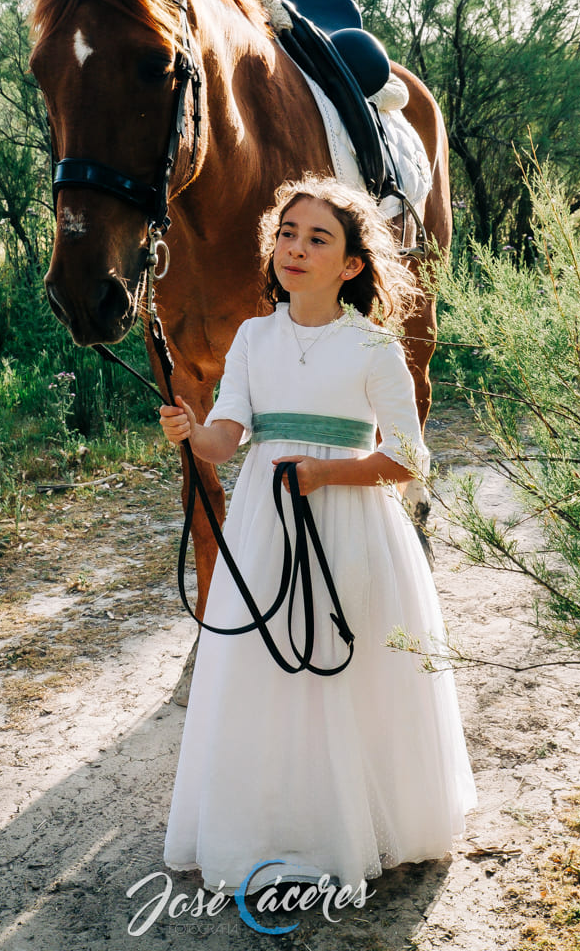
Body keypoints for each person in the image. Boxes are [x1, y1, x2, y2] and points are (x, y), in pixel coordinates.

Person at [159, 174, 476, 896]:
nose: (296, 249)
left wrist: (328, 477)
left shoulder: (371, 349)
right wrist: (190, 430)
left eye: (318, 239)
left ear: (353, 265)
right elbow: (224, 441)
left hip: (350, 526)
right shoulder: (252, 338)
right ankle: (278, 821)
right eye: (288, 235)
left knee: (348, 666)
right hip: (268, 525)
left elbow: (407, 458)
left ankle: (359, 820)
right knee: (268, 668)